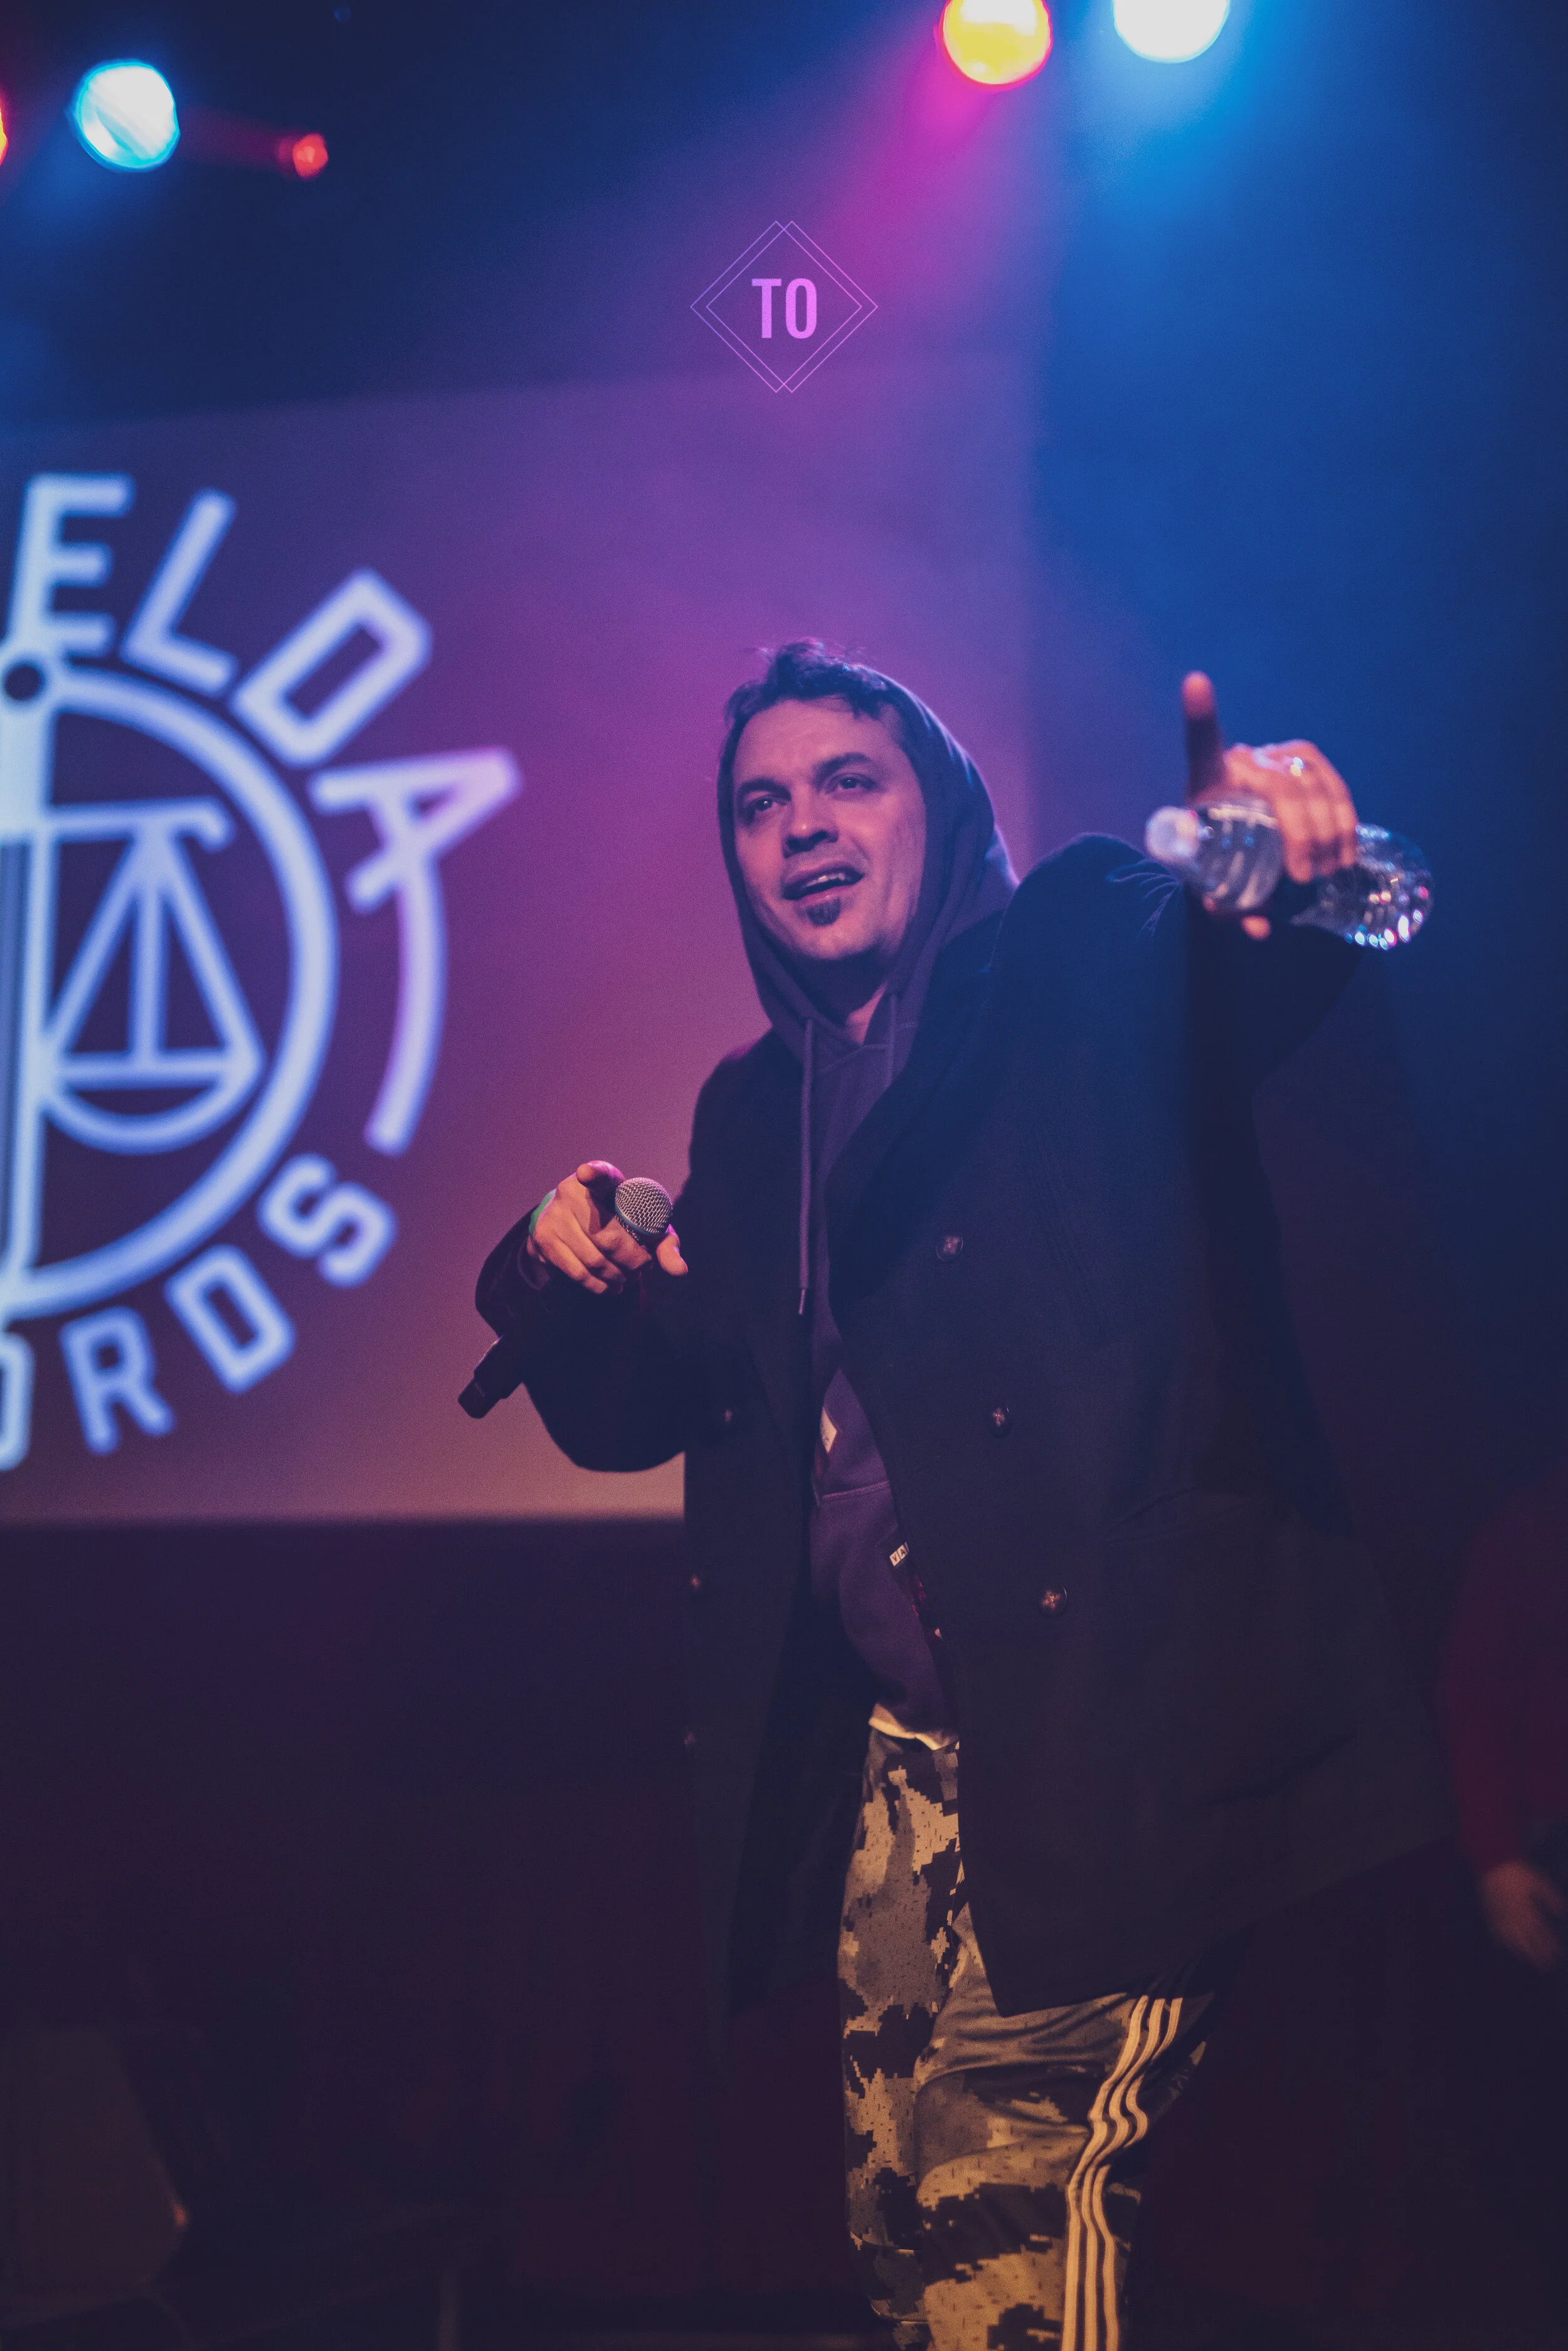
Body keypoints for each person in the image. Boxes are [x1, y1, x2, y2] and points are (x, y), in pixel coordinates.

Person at [472, 643, 1445, 2351]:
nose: (801, 827)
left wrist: (1279, 875)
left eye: (849, 780)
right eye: (757, 804)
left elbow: (1235, 966)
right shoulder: (755, 1105)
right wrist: (550, 1275)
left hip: (1105, 1738)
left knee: (1009, 2236)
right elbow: (656, 1411)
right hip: (901, 1796)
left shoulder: (1067, 948)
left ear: (943, 808)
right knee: (916, 2248)